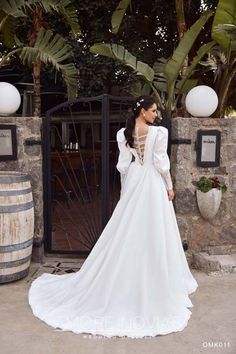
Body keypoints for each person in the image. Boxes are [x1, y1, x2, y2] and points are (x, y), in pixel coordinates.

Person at [28, 95, 198, 338]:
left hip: (135, 180)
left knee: (129, 227)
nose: (156, 114)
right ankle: (154, 274)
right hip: (151, 182)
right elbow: (161, 163)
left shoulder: (124, 133)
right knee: (154, 227)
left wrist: (126, 190)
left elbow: (123, 166)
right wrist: (169, 186)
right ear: (141, 112)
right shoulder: (158, 133)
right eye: (152, 110)